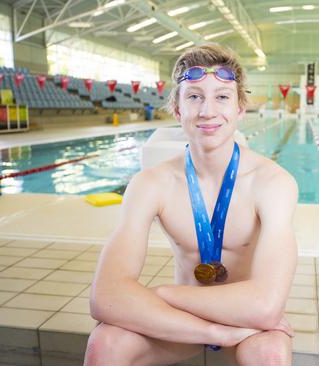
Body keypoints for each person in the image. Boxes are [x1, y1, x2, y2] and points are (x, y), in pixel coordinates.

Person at [84, 43, 298, 365]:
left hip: (243, 322)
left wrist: (162, 293)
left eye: (222, 97)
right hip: (182, 320)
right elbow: (105, 297)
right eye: (194, 96)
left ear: (240, 108)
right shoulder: (151, 184)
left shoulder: (273, 184)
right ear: (178, 108)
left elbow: (266, 307)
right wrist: (214, 332)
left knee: (270, 352)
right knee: (106, 342)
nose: (207, 111)